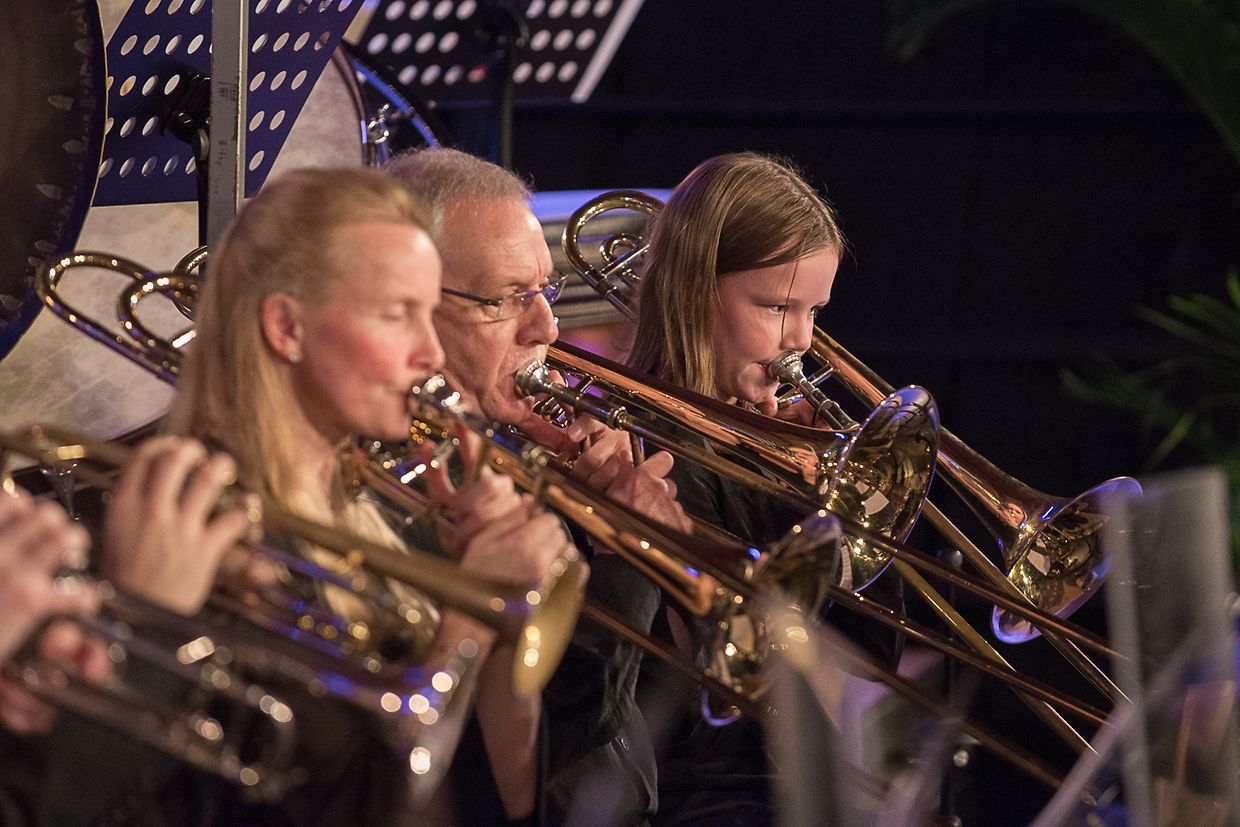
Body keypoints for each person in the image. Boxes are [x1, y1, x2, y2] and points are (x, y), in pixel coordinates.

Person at [385, 147, 690, 826]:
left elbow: (653, 709)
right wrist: (626, 558)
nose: (547, 327)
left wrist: (591, 514)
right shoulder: (409, 493)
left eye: (545, 291)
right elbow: (550, 752)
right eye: (507, 298)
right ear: (409, 303)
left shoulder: (517, 451)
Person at [627, 151, 905, 826]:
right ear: (692, 291)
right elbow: (732, 696)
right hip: (708, 801)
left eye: (814, 310)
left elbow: (873, 660)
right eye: (777, 306)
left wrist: (834, 506)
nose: (800, 341)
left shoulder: (779, 445)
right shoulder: (643, 448)